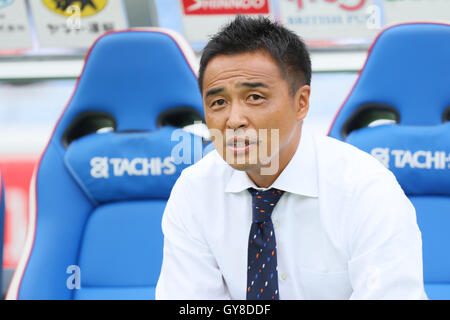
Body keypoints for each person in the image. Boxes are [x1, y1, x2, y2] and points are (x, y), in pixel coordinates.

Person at [155, 16, 427, 300]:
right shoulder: (195, 191)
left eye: (254, 97)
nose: (233, 120)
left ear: (301, 103)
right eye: (218, 102)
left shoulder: (365, 190)